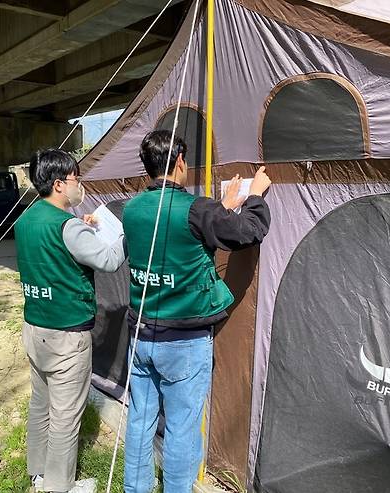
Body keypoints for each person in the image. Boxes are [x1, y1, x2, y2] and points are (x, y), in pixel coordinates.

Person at [122, 130, 272, 493]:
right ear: (178, 163)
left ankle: (135, 487)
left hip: (141, 336)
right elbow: (249, 232)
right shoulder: (196, 209)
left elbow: (175, 241)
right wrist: (254, 196)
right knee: (182, 428)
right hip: (184, 343)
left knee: (140, 421)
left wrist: (222, 208)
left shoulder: (132, 208)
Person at [15, 149, 126, 493]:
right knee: (66, 417)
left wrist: (83, 228)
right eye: (78, 178)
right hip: (66, 338)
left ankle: (38, 475)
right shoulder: (67, 226)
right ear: (60, 184)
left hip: (35, 328)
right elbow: (108, 261)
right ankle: (59, 487)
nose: (81, 185)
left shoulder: (27, 219)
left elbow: (56, 252)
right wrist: (124, 232)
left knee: (41, 405)